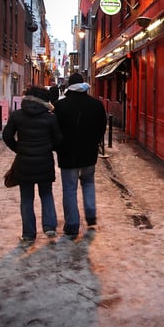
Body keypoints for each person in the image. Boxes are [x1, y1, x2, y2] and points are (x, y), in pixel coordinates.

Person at [2, 86, 63, 244]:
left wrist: (19, 149)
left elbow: (7, 136)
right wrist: (49, 147)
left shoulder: (17, 116)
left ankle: (29, 233)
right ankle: (49, 226)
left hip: (24, 163)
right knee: (46, 194)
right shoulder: (50, 117)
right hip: (44, 162)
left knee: (27, 198)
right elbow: (58, 140)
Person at [53, 73, 107, 239]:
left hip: (67, 155)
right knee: (88, 183)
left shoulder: (60, 106)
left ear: (69, 86)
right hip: (89, 153)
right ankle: (90, 216)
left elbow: (55, 131)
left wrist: (58, 147)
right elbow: (102, 127)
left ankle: (72, 224)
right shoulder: (96, 105)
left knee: (70, 189)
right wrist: (95, 143)